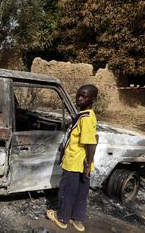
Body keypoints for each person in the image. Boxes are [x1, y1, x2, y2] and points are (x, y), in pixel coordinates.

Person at [47, 84, 99, 232]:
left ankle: (62, 218)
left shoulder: (86, 117)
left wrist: (88, 165)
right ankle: (77, 220)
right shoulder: (86, 115)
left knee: (67, 191)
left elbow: (90, 143)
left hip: (75, 162)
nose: (79, 98)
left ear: (93, 99)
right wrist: (88, 165)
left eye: (84, 95)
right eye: (78, 95)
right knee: (81, 192)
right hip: (82, 162)